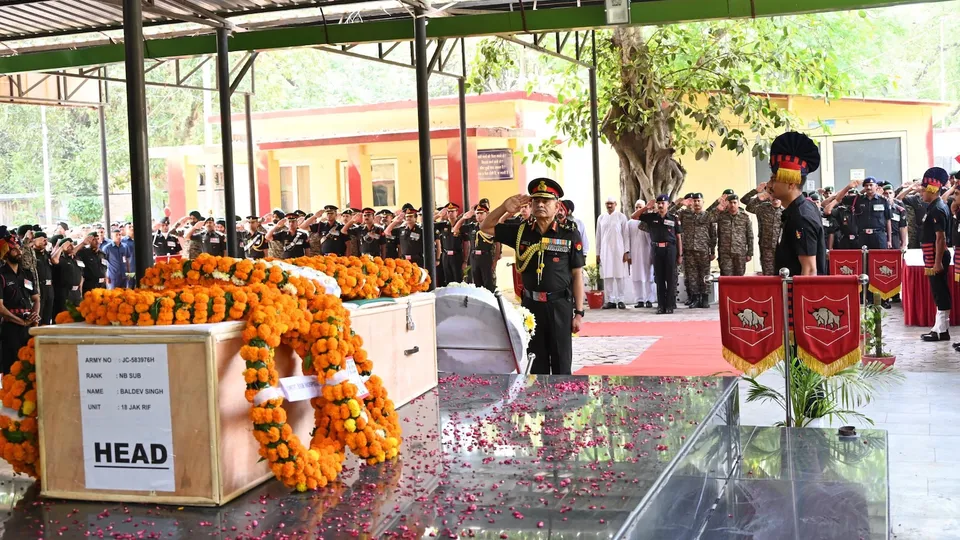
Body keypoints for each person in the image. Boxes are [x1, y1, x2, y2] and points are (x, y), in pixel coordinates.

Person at [481, 178, 585, 375]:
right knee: (536, 363)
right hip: (531, 306)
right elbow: (485, 227)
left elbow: (577, 274)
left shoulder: (568, 234)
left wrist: (579, 313)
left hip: (559, 305)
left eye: (546, 201)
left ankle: (565, 404)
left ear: (557, 206)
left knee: (562, 364)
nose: (540, 205)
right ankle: (540, 403)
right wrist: (504, 207)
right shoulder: (521, 232)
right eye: (536, 200)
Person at [764, 131, 826, 277]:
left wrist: (799, 300)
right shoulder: (796, 211)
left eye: (774, 180)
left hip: (799, 296)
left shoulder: (801, 217)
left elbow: (810, 271)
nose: (769, 185)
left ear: (791, 184)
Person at [915, 168, 952, 342]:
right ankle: (938, 328)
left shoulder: (938, 208)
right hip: (932, 254)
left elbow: (940, 238)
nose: (921, 193)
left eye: (923, 190)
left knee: (940, 292)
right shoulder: (934, 206)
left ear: (932, 190)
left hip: (937, 255)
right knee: (937, 292)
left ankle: (942, 330)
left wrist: (937, 263)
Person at [633, 195, 682, 314]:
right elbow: (634, 216)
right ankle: (661, 306)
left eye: (663, 203)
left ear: (668, 205)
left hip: (670, 249)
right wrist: (646, 207)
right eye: (658, 203)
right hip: (656, 250)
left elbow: (678, 237)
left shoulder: (674, 218)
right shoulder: (651, 217)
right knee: (659, 279)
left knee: (670, 279)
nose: (660, 205)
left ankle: (670, 306)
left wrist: (680, 255)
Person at [0, 231, 40, 375]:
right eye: (14, 249)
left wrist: (34, 317)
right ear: (5, 253)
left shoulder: (27, 273)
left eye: (19, 248)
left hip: (28, 324)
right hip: (11, 327)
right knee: (12, 366)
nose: (19, 252)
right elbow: (1, 307)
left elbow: (36, 299)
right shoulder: (2, 275)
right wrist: (19, 321)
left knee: (30, 365)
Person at [674, 193, 716, 308]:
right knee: (692, 275)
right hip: (689, 250)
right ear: (691, 202)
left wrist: (712, 251)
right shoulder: (684, 214)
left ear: (703, 202)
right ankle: (695, 298)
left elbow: (713, 235)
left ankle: (705, 297)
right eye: (695, 201)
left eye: (699, 201)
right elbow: (670, 214)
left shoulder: (708, 216)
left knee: (705, 275)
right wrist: (678, 204)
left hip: (703, 250)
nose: (697, 203)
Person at [455, 203, 500, 292]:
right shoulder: (472, 226)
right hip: (474, 257)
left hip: (486, 257)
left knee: (488, 283)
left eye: (481, 213)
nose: (479, 215)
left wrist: (495, 260)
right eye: (477, 213)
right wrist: (463, 218)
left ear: (486, 214)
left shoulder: (491, 227)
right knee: (477, 284)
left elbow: (498, 244)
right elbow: (455, 230)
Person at [596, 197, 630, 309]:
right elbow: (598, 236)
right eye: (607, 203)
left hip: (619, 251)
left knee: (620, 276)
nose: (609, 205)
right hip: (605, 251)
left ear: (615, 204)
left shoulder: (621, 217)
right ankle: (610, 300)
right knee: (607, 276)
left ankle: (621, 299)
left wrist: (626, 252)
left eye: (611, 203)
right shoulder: (601, 218)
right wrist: (597, 253)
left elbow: (626, 235)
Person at [743, 183, 783, 276]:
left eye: (777, 197)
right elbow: (748, 206)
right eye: (772, 196)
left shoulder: (786, 211)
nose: (775, 199)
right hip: (766, 248)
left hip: (782, 248)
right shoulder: (763, 208)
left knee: (782, 275)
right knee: (768, 275)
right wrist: (757, 196)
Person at [709, 194, 754, 276]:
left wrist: (750, 253)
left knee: (739, 278)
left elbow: (750, 235)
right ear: (727, 204)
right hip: (725, 253)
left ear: (738, 204)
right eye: (730, 203)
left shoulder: (745, 217)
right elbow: (708, 219)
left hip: (740, 253)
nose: (732, 205)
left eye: (734, 202)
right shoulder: (721, 215)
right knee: (726, 278)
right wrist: (717, 209)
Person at [626, 200, 656, 309]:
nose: (638, 209)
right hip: (635, 254)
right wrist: (628, 254)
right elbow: (627, 239)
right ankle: (639, 300)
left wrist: (653, 254)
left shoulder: (649, 221)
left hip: (647, 252)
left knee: (649, 277)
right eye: (636, 207)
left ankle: (649, 299)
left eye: (640, 207)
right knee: (636, 277)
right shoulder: (630, 223)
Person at [51, 237, 83, 318]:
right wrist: (61, 248)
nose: (72, 247)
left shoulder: (76, 259)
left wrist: (80, 289)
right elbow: (54, 259)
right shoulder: (61, 259)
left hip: (76, 293)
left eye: (72, 244)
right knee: (65, 317)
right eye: (68, 245)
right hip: (65, 293)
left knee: (77, 317)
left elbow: (81, 274)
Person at [32, 232, 53, 325]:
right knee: (38, 316)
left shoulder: (47, 254)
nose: (44, 242)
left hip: (49, 288)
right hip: (39, 288)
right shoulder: (32, 255)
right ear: (34, 240)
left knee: (47, 317)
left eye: (46, 240)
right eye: (42, 239)